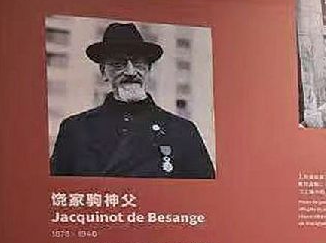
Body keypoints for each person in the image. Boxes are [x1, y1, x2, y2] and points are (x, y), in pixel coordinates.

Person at [51, 22, 216, 178]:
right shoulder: (75, 130)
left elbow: (205, 193)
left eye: (138, 63)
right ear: (103, 72)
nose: (130, 72)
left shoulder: (182, 131)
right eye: (118, 64)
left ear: (148, 70)